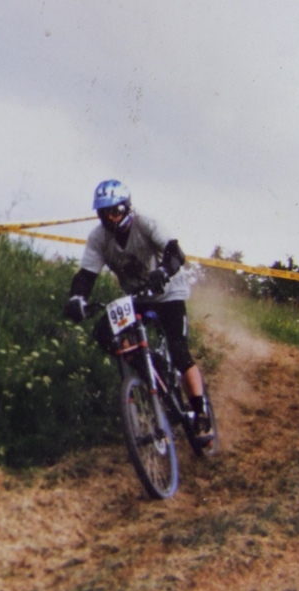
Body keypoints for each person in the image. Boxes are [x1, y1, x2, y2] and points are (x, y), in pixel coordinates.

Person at [63, 179, 213, 443]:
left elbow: (175, 252)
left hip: (168, 292)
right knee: (103, 333)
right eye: (103, 213)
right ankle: (148, 369)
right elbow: (86, 275)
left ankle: (201, 412)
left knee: (179, 351)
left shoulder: (146, 223)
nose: (110, 219)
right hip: (137, 297)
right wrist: (77, 298)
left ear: (126, 207)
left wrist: (163, 271)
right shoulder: (98, 238)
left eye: (115, 211)